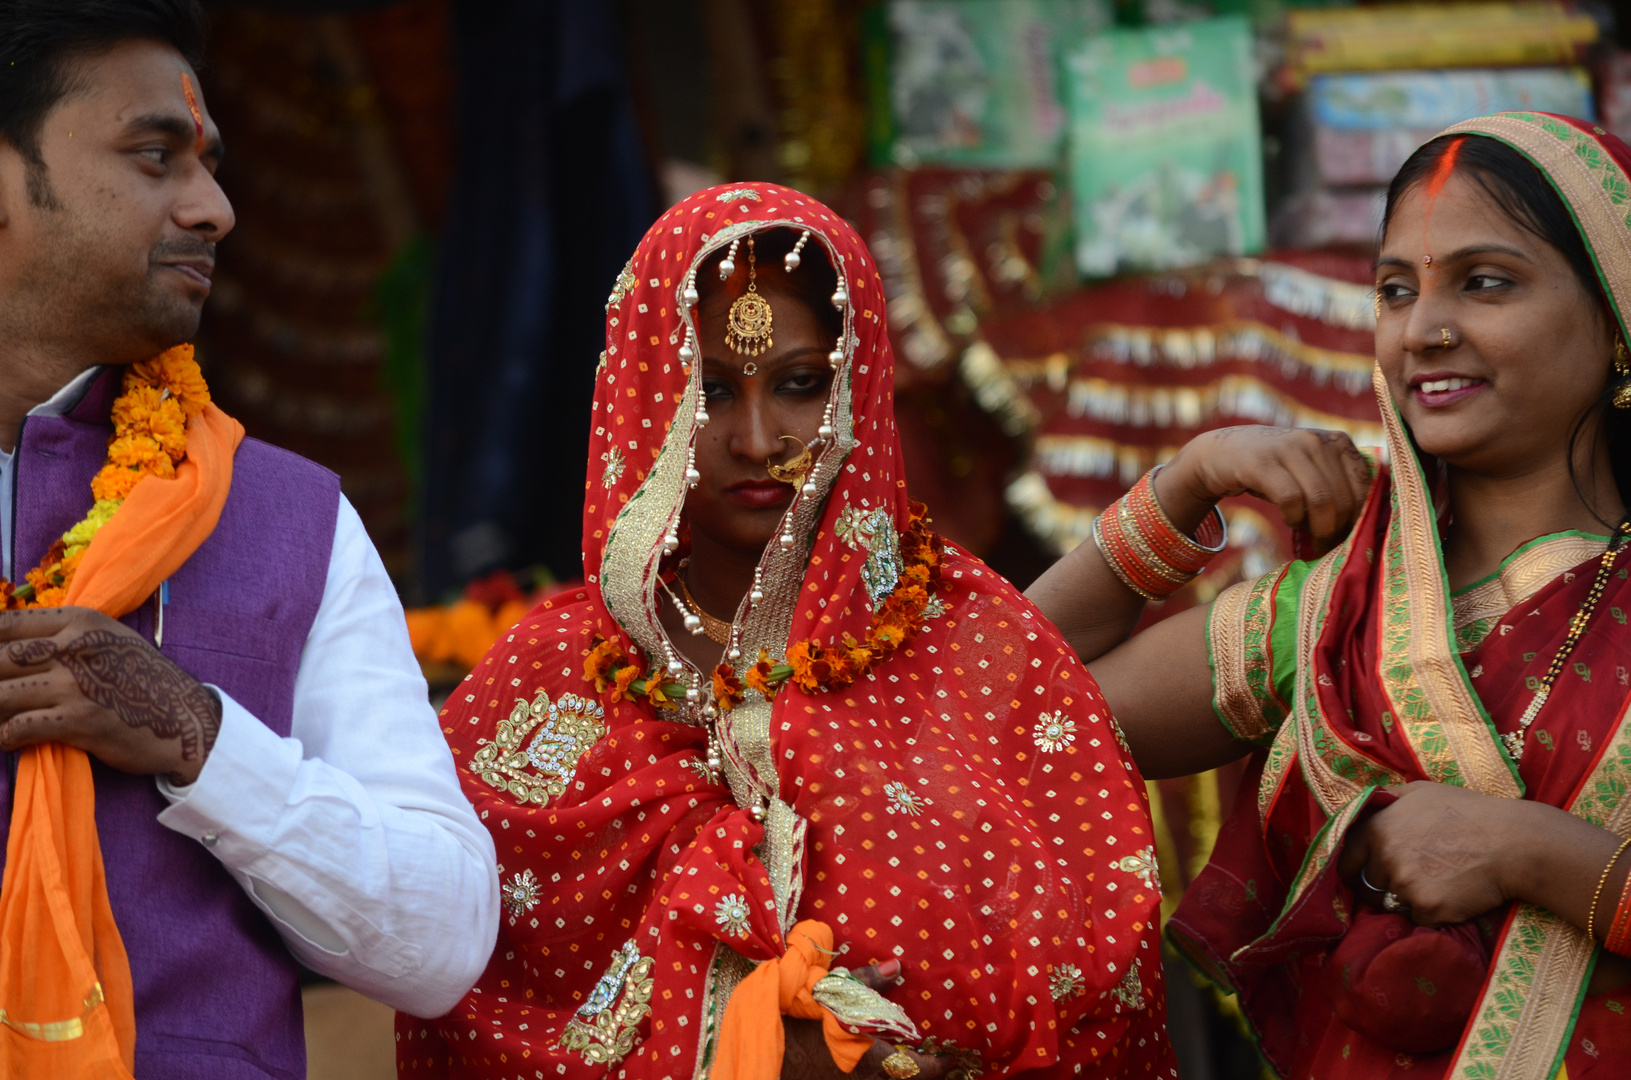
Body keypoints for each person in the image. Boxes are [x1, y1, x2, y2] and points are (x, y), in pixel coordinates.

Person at [399, 183, 1177, 1079]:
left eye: (801, 384)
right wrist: (753, 1038)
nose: (757, 435)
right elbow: (470, 982)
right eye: (712, 390)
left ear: (859, 382)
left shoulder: (964, 634)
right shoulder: (541, 682)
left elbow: (1093, 951)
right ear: (647, 396)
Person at [1027, 110, 1631, 1079]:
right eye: (1395, 290)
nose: (1423, 331)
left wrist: (1529, 853)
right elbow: (995, 710)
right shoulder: (1327, 616)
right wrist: (1183, 484)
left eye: (1483, 282)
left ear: (1613, 314)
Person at [0, 4, 498, 1077]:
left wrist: (198, 736)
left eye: (211, 166)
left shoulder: (289, 520)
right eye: (155, 157)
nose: (215, 209)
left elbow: (443, 937)